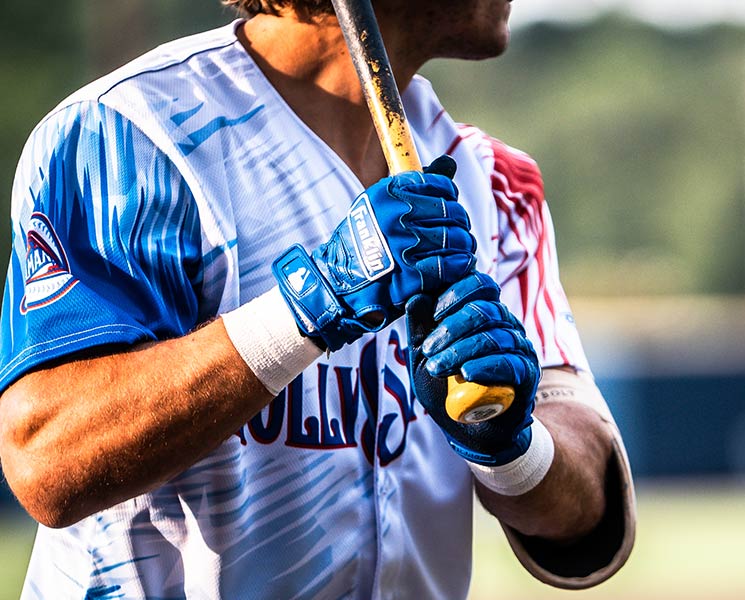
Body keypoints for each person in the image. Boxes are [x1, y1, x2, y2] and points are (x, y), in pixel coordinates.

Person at [0, 0, 636, 597]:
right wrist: (305, 310)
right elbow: (46, 456)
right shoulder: (129, 134)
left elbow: (586, 507)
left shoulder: (497, 181)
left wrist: (512, 447)